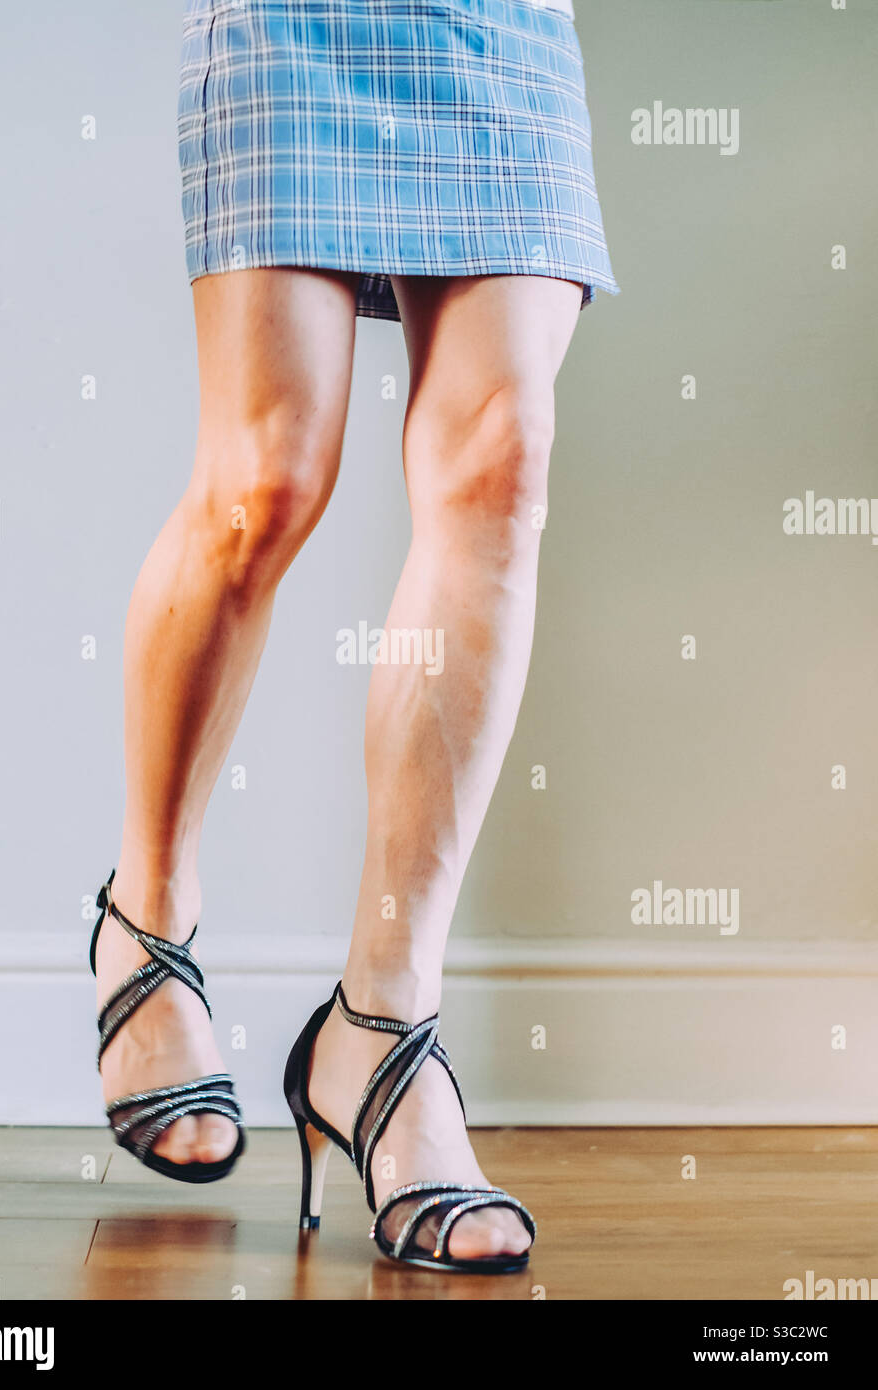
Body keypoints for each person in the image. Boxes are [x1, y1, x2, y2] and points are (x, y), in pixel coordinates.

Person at [89, 0, 618, 1273]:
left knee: (502, 459)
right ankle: (146, 915)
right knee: (262, 480)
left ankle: (383, 1025)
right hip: (293, 17)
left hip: (496, 26)